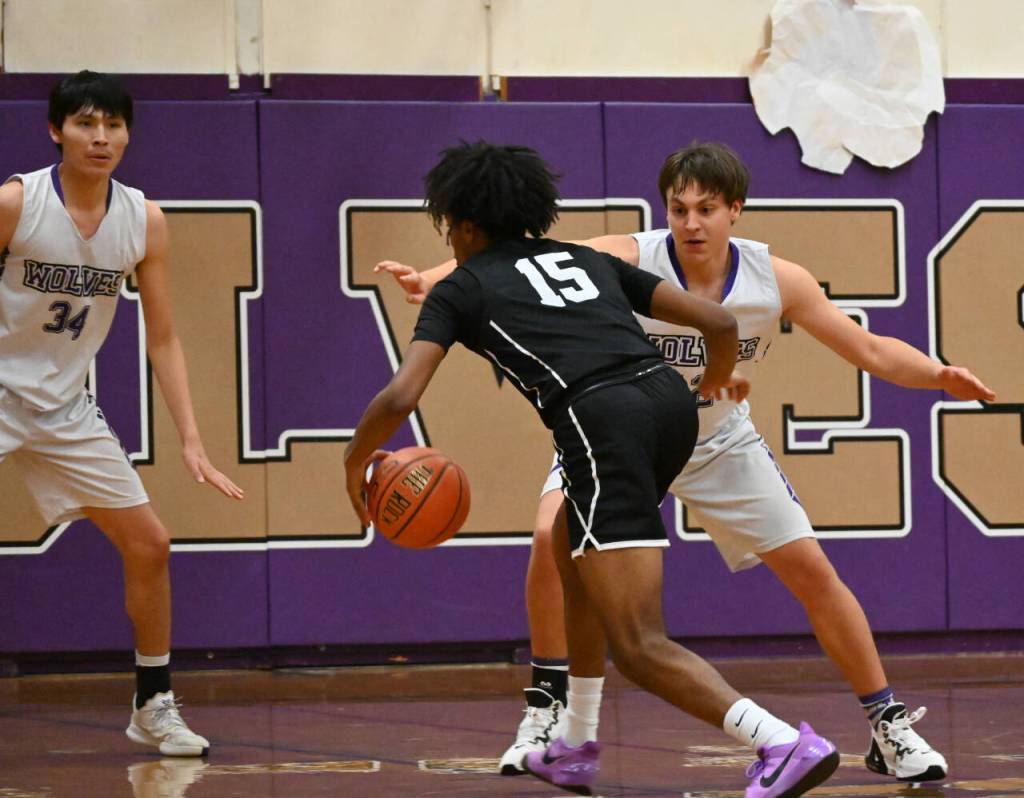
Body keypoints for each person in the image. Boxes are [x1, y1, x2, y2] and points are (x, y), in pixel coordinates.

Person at [376, 141, 996, 784]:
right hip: (618, 439)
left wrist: (937, 374)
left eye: (705, 209)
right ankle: (547, 710)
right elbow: (515, 262)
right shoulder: (627, 255)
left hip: (716, 439)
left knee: (811, 569)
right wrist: (435, 278)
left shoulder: (777, 279)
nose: (691, 223)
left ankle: (888, 725)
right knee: (547, 539)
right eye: (678, 209)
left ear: (736, 210)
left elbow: (868, 348)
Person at [346, 139, 839, 798]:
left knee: (637, 640)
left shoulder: (462, 287)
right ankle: (574, 744)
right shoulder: (582, 257)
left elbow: (402, 395)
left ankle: (780, 742)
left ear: (463, 227)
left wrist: (355, 463)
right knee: (564, 545)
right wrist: (714, 389)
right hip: (670, 409)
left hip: (601, 423)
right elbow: (719, 324)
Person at [0, 71, 244, 756]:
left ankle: (153, 702)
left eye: (112, 124)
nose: (100, 136)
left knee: (150, 544)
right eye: (84, 123)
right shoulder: (17, 203)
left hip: (64, 408)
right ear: (55, 130)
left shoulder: (143, 219)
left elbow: (161, 336)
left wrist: (191, 440)